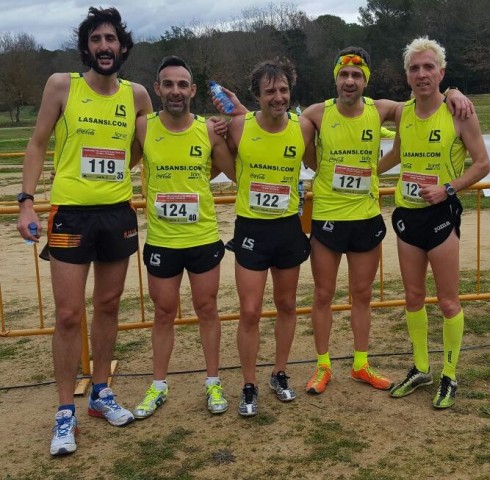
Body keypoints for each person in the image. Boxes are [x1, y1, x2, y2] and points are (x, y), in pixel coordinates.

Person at [17, 7, 153, 456]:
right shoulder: (62, 85)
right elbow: (37, 143)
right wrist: (25, 202)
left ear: (124, 47)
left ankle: (100, 393)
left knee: (109, 305)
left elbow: (144, 147)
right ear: (87, 47)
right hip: (71, 216)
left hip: (116, 213)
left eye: (111, 39)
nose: (104, 46)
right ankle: (63, 412)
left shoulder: (137, 95)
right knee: (69, 314)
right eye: (96, 39)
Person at [301, 47, 473, 396]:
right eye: (344, 75)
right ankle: (322, 366)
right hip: (328, 217)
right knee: (323, 294)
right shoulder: (315, 114)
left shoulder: (383, 109)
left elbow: (426, 98)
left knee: (362, 294)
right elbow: (292, 139)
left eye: (357, 75)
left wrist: (453, 91)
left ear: (366, 80)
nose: (350, 81)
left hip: (365, 218)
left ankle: (361, 364)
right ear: (335, 78)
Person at [378, 36, 490, 408]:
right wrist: (365, 172)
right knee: (412, 297)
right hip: (408, 216)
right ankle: (421, 368)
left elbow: (482, 164)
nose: (422, 74)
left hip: (442, 216)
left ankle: (450, 375)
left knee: (447, 301)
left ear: (441, 72)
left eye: (429, 67)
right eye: (414, 68)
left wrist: (448, 189)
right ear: (407, 76)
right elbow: (395, 153)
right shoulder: (402, 112)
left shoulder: (459, 111)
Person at [132, 56, 235, 418]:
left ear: (192, 90)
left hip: (202, 236)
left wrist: (234, 128)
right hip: (162, 240)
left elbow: (237, 170)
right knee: (163, 312)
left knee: (207, 309)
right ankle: (158, 385)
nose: (175, 91)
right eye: (168, 84)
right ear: (158, 89)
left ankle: (213, 382)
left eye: (182, 85)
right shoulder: (143, 128)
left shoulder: (208, 130)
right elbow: (117, 160)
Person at [225, 59, 315, 416]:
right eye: (269, 92)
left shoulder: (304, 126)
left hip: (287, 228)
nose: (277, 97)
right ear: (257, 97)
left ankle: (279, 373)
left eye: (283, 90)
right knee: (249, 311)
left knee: (287, 305)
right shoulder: (236, 127)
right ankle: (248, 384)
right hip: (251, 228)